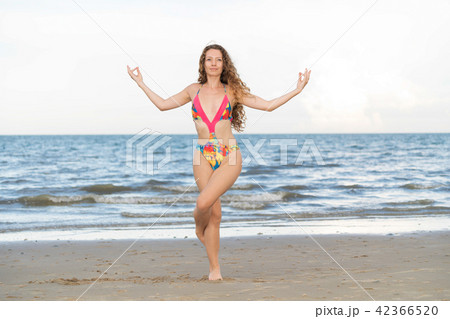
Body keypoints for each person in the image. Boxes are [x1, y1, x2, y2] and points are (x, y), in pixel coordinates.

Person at [127, 44, 311, 281]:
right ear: (203, 64)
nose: (214, 64)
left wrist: (297, 90)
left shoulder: (232, 91)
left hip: (229, 155)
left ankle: (197, 227)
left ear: (224, 65)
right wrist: (140, 82)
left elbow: (268, 105)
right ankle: (215, 269)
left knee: (203, 203)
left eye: (218, 60)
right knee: (213, 213)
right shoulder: (193, 90)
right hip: (202, 155)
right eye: (209, 59)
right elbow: (162, 105)